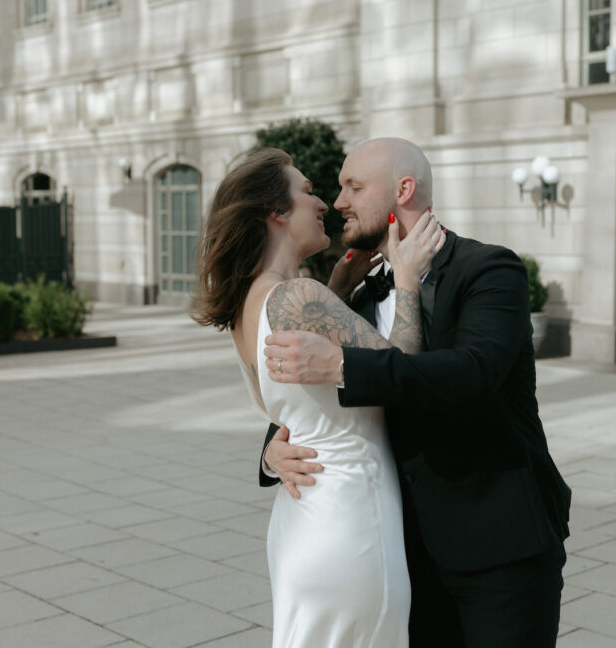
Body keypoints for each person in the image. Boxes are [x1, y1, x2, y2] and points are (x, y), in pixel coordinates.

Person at [260, 137, 572, 648]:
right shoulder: (360, 294)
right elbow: (316, 397)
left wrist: (341, 363)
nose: (339, 202)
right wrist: (273, 448)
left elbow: (472, 373)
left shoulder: (490, 270)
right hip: (403, 556)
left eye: (353, 187)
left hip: (501, 549)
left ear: (403, 190)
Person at [191, 147, 445, 648]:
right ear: (276, 213)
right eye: (307, 192)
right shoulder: (296, 298)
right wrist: (409, 281)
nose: (325, 203)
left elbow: (289, 408)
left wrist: (334, 293)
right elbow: (402, 369)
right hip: (350, 520)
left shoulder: (250, 304)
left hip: (301, 520)